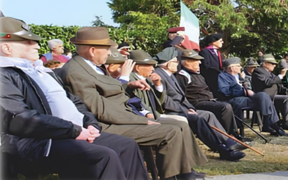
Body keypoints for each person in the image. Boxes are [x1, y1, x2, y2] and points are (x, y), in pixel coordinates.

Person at [0, 17, 150, 180]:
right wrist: (74, 131)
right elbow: (20, 118)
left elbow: (74, 100)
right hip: (37, 141)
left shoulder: (41, 71)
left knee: (126, 145)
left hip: (70, 132)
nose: (36, 45)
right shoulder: (4, 74)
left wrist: (91, 123)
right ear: (6, 47)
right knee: (103, 156)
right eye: (27, 41)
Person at [60, 26, 208, 180]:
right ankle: (176, 176)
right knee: (171, 132)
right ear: (92, 50)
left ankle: (183, 174)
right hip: (106, 125)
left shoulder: (88, 67)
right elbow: (99, 109)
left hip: (120, 118)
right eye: (107, 49)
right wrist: (143, 120)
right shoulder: (76, 71)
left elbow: (105, 93)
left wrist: (127, 86)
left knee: (176, 127)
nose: (110, 53)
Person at [153, 47, 247, 161]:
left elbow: (182, 97)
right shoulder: (159, 75)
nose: (178, 63)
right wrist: (185, 110)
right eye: (175, 61)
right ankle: (223, 148)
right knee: (199, 117)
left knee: (208, 115)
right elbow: (164, 100)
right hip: (171, 111)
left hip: (181, 108)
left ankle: (227, 142)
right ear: (168, 64)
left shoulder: (169, 75)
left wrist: (189, 108)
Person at [218, 57, 288, 137]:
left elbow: (251, 86)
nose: (241, 68)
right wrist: (244, 92)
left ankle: (271, 124)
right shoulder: (223, 76)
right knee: (264, 98)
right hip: (235, 99)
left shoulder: (241, 76)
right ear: (232, 67)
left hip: (248, 98)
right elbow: (224, 91)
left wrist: (244, 80)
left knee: (263, 96)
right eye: (238, 66)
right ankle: (273, 125)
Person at [175, 49, 238, 137]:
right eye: (196, 60)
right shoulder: (182, 75)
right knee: (225, 107)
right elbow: (180, 94)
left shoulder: (198, 75)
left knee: (229, 105)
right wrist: (188, 108)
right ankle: (227, 136)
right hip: (196, 103)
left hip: (207, 100)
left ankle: (233, 134)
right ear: (187, 62)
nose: (200, 63)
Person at [251, 54, 288, 130]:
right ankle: (286, 122)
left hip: (275, 95)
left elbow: (277, 84)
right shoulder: (258, 71)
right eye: (272, 64)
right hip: (266, 97)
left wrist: (287, 89)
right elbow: (268, 82)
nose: (274, 65)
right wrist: (281, 75)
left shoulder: (269, 73)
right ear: (265, 63)